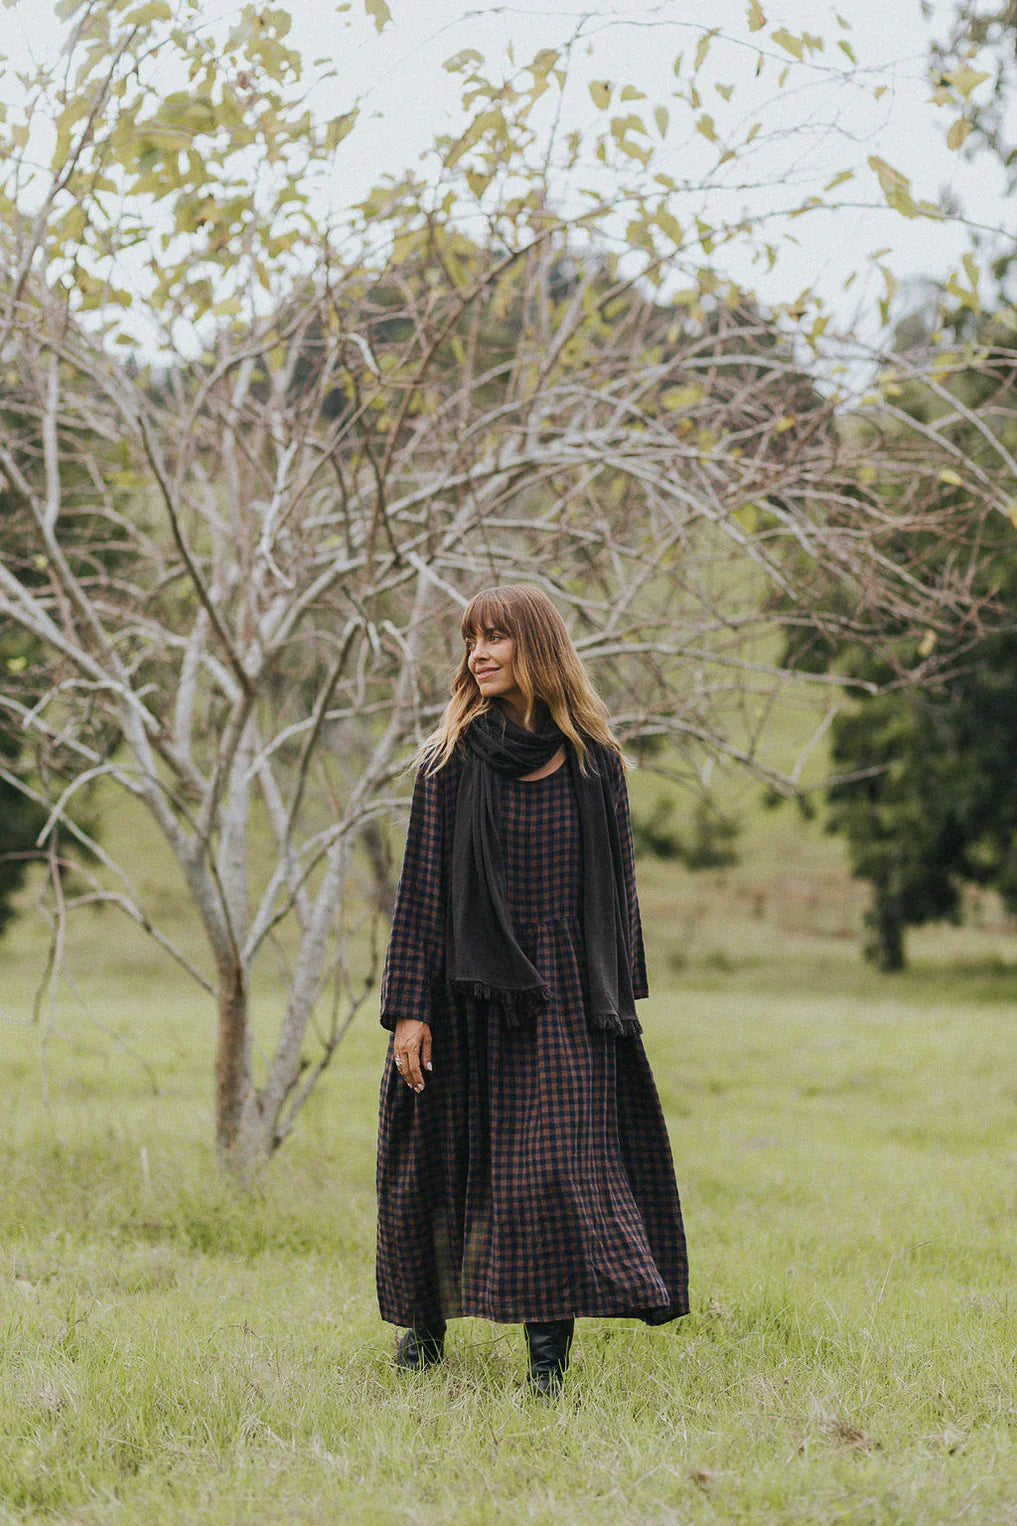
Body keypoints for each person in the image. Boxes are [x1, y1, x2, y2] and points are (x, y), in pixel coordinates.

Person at [376, 583, 689, 1397]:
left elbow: (618, 895)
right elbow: (421, 894)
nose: (478, 653)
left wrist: (615, 1009)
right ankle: (424, 1333)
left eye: (495, 638)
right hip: (460, 993)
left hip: (562, 1003)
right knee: (437, 1164)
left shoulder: (596, 764)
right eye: (471, 639)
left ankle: (546, 1370)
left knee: (550, 1174)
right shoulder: (447, 762)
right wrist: (409, 1009)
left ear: (536, 647)